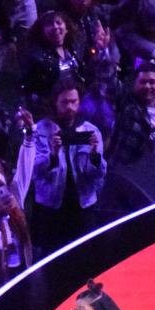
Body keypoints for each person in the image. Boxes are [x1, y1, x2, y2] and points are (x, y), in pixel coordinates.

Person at [32, 78, 106, 255]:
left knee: (87, 255)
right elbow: (36, 173)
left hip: (83, 204)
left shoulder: (90, 130)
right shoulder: (40, 130)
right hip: (52, 207)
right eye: (65, 102)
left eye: (74, 101)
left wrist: (95, 155)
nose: (70, 107)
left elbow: (98, 177)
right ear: (55, 103)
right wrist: (53, 154)